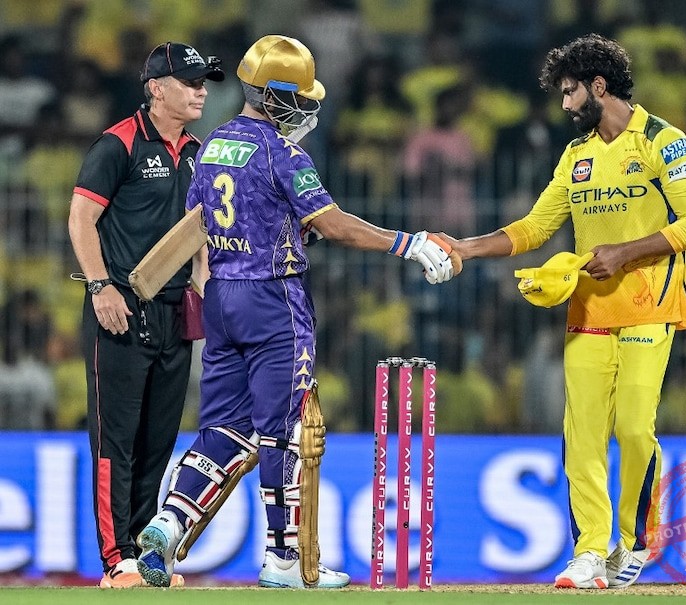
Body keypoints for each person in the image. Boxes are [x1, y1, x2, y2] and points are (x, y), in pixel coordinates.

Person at [135, 34, 456, 589]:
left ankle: (168, 521)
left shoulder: (210, 146)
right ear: (277, 95)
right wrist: (409, 243)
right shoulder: (282, 153)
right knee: (283, 432)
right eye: (301, 98)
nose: (307, 109)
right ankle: (283, 559)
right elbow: (335, 225)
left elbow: (202, 227)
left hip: (221, 297)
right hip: (274, 302)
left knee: (225, 428)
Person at [444, 33, 686, 589]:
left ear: (599, 86)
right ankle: (589, 550)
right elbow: (535, 228)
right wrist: (466, 247)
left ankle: (634, 541)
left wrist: (623, 253)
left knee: (634, 429)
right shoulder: (576, 155)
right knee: (583, 434)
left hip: (649, 307)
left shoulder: (664, 141)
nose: (565, 105)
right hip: (587, 310)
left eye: (570, 92)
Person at [67, 41, 225, 588]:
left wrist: (205, 291)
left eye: (203, 83)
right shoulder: (119, 144)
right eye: (190, 82)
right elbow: (81, 219)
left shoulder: (197, 152)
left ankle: (144, 555)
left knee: (157, 441)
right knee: (116, 440)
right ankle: (117, 560)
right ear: (156, 88)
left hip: (174, 312)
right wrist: (100, 287)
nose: (201, 92)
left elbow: (198, 232)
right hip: (119, 309)